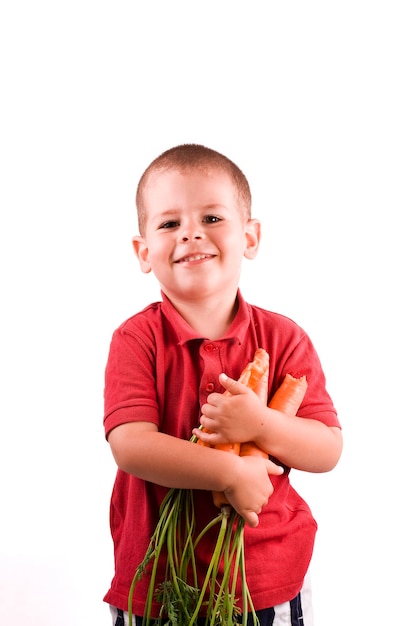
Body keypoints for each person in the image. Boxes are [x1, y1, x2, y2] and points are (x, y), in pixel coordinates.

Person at [103, 143, 342, 626]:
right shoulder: (136, 340)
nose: (191, 232)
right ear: (143, 252)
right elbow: (130, 445)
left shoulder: (283, 338)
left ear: (250, 238)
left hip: (267, 578)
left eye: (212, 218)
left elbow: (327, 449)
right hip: (161, 580)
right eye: (170, 223)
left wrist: (261, 423)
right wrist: (228, 473)